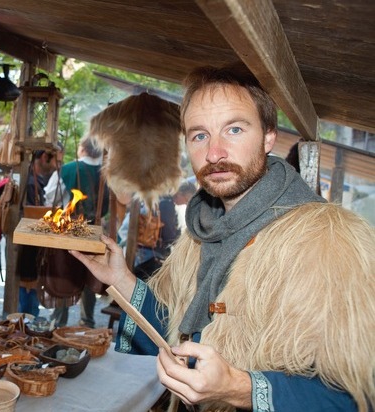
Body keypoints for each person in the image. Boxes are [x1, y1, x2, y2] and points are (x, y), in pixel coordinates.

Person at [70, 65, 375, 411]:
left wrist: (238, 389)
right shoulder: (199, 233)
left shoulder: (330, 244)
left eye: (234, 129)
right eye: (200, 135)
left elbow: (355, 398)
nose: (214, 153)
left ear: (268, 136)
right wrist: (121, 280)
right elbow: (176, 337)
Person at [46, 136, 107, 328]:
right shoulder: (107, 173)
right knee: (89, 276)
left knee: (64, 274)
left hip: (68, 232)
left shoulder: (68, 169)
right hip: (94, 231)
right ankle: (87, 323)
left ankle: (58, 322)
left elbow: (49, 196)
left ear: (82, 149)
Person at [118, 181, 196, 281]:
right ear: (180, 194)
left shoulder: (159, 199)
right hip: (150, 252)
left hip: (140, 249)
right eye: (186, 200)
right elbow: (168, 233)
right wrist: (178, 242)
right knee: (145, 284)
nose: (185, 203)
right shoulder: (167, 205)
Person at [17, 149, 61, 317]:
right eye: (57, 161)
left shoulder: (36, 181)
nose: (58, 166)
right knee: (26, 305)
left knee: (29, 303)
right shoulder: (28, 183)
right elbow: (27, 223)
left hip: (31, 254)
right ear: (44, 157)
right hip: (26, 254)